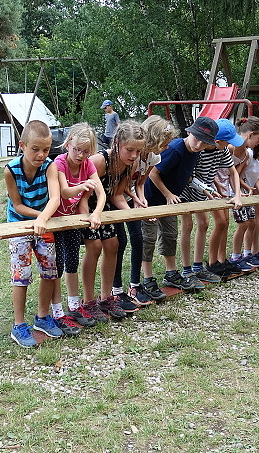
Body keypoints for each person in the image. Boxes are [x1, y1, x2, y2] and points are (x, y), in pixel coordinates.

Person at [4, 120, 64, 348]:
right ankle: (19, 325)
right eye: (35, 149)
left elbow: (55, 198)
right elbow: (18, 205)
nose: (41, 155)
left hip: (44, 223)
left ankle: (42, 317)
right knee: (21, 274)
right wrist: (39, 217)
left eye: (46, 149)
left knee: (49, 270)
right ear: (22, 146)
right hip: (19, 224)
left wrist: (43, 219)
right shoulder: (11, 170)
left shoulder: (50, 167)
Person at [142, 116, 218, 294]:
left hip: (170, 202)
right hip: (150, 199)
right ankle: (147, 278)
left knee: (170, 234)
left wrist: (204, 189)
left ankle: (171, 273)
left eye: (204, 142)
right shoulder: (175, 149)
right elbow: (153, 173)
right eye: (197, 139)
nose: (199, 145)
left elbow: (186, 175)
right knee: (148, 238)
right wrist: (168, 194)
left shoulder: (195, 152)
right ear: (189, 133)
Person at [82, 120, 146, 320]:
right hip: (85, 207)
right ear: (117, 143)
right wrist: (87, 217)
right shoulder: (100, 161)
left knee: (113, 244)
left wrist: (132, 214)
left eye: (138, 151)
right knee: (94, 247)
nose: (134, 155)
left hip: (105, 207)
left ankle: (106, 297)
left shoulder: (130, 164)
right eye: (129, 150)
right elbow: (82, 195)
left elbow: (117, 195)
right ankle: (88, 300)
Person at [113, 115, 177, 306]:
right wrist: (135, 203)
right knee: (119, 242)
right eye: (164, 143)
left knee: (138, 239)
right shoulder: (131, 157)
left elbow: (140, 183)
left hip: (130, 199)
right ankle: (116, 289)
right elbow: (121, 187)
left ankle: (135, 285)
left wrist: (142, 201)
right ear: (155, 140)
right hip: (116, 199)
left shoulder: (153, 157)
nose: (167, 147)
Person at [51, 123, 106, 333]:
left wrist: (96, 213)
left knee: (72, 261)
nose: (81, 155)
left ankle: (74, 306)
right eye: (77, 150)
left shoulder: (88, 165)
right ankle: (57, 311)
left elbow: (101, 194)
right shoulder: (59, 163)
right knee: (57, 266)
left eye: (85, 151)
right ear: (68, 144)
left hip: (73, 220)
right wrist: (82, 186)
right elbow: (64, 192)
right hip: (55, 222)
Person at [181, 118, 244, 284]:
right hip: (186, 192)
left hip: (203, 193)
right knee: (187, 226)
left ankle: (198, 267)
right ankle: (186, 270)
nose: (230, 145)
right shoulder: (198, 151)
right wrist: (208, 189)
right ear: (217, 141)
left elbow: (233, 172)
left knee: (204, 224)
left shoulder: (222, 151)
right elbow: (190, 176)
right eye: (228, 142)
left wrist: (237, 195)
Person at [228, 117, 259, 270]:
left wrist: (254, 188)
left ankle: (248, 253)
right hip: (235, 193)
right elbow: (235, 174)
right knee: (243, 224)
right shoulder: (241, 151)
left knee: (252, 222)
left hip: (246, 193)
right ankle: (235, 256)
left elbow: (255, 175)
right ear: (251, 135)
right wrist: (243, 189)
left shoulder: (252, 155)